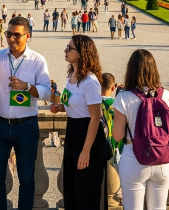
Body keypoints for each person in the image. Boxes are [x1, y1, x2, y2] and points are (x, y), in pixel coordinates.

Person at [0, 16, 51, 210]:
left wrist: (27, 86)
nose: (12, 39)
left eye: (17, 35)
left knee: (27, 179)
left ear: (28, 36)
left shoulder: (38, 60)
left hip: (26, 126)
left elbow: (47, 91)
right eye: (8, 34)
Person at [111, 49, 169, 210]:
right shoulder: (165, 95)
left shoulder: (124, 97)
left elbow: (117, 135)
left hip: (134, 157)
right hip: (163, 158)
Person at [50, 35, 106, 210]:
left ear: (81, 53)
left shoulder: (90, 82)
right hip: (73, 131)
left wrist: (86, 150)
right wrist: (59, 107)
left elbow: (95, 117)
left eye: (69, 48)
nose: (65, 51)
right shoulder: (72, 76)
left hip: (87, 136)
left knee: (86, 192)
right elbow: (74, 106)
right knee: (72, 188)